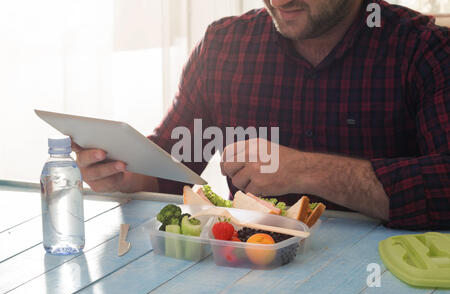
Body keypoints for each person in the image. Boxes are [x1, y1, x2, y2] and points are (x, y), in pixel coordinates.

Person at [73, 0, 450, 230]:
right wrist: (121, 175)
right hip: (252, 272)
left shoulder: (423, 49)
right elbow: (173, 166)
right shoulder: (224, 46)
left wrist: (307, 170)